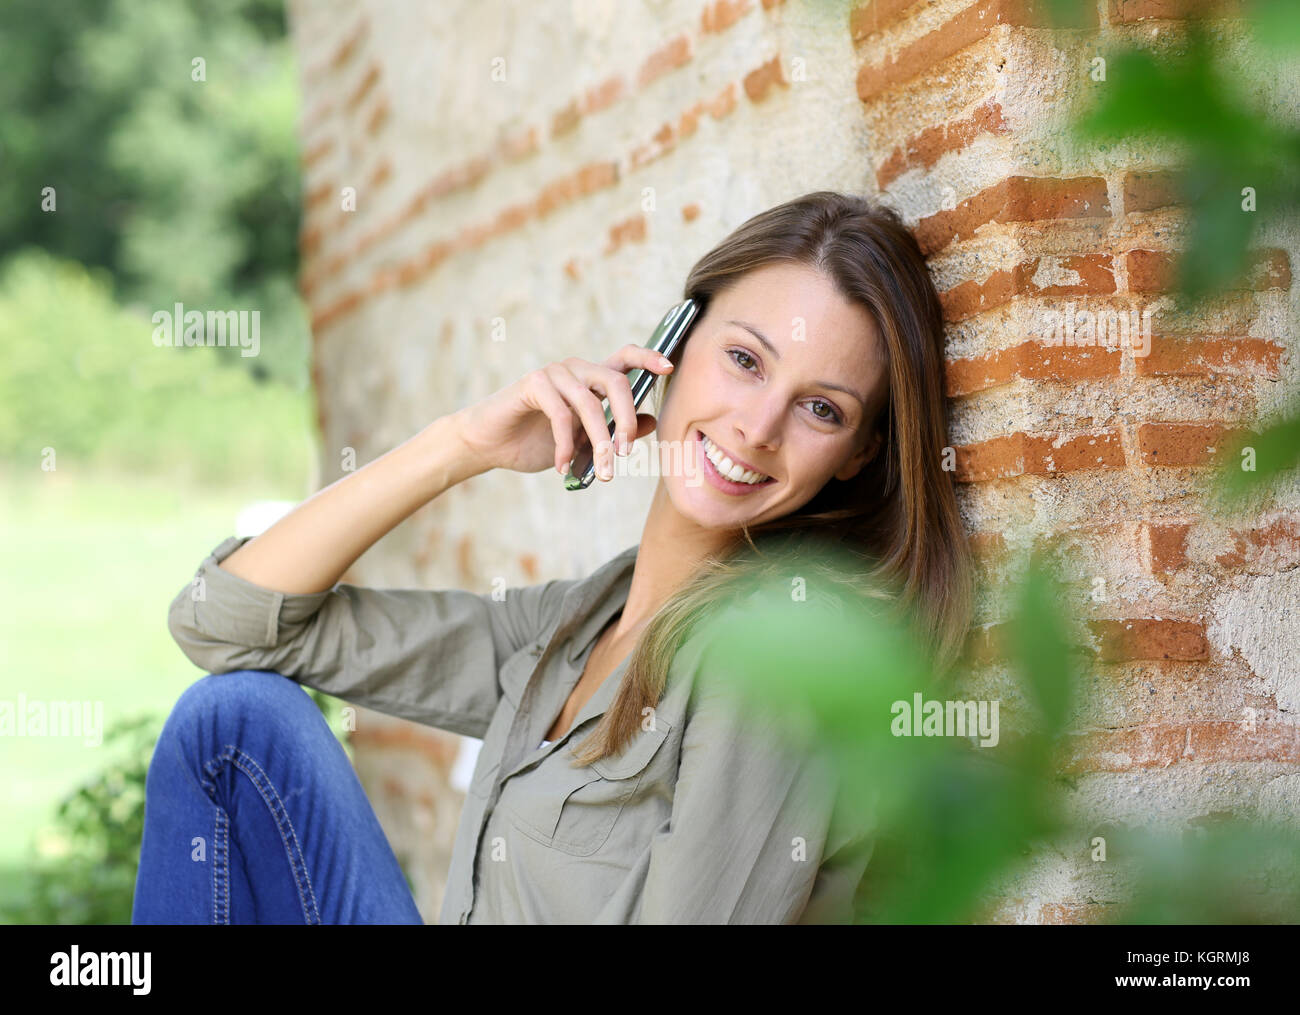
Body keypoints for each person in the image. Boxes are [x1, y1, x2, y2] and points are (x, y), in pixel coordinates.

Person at [132, 190, 974, 925]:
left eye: (822, 409)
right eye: (745, 360)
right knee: (234, 722)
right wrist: (461, 444)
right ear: (671, 347)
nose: (758, 426)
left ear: (859, 453)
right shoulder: (581, 619)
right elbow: (226, 624)